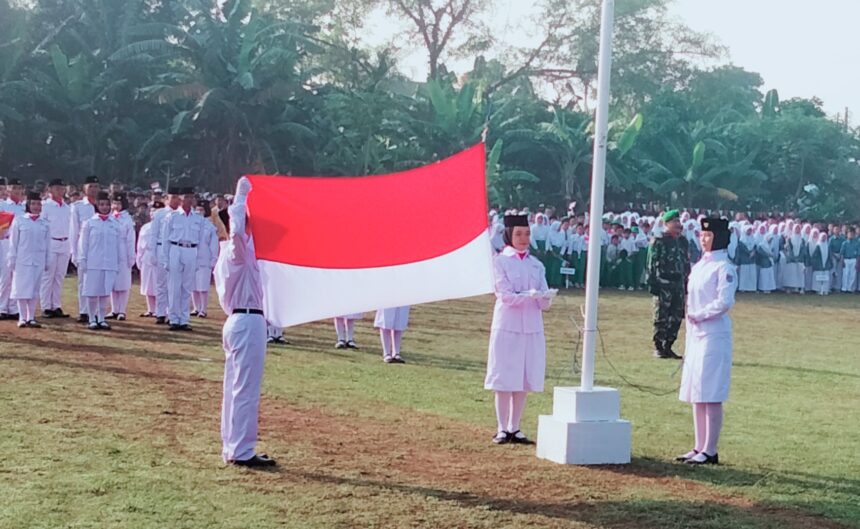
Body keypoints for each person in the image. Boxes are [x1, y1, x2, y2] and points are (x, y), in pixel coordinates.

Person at [214, 176, 276, 468]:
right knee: (245, 389)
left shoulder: (234, 254)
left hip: (240, 320)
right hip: (247, 320)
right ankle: (241, 449)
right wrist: (240, 198)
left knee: (234, 387)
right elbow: (238, 232)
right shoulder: (235, 252)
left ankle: (233, 445)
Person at [484, 214, 556, 445]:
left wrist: (545, 297)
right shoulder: (500, 262)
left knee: (525, 377)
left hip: (531, 327)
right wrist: (528, 295)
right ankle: (501, 427)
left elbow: (544, 303)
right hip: (508, 326)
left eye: (526, 234)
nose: (523, 238)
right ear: (509, 235)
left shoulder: (536, 265)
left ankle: (515, 426)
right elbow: (504, 295)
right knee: (504, 377)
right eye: (518, 234)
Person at [676, 218, 736, 466]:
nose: (703, 239)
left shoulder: (724, 267)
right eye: (701, 235)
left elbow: (724, 301)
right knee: (696, 391)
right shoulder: (701, 265)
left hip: (713, 333)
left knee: (710, 391)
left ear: (719, 237)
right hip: (695, 334)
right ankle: (698, 445)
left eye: (708, 235)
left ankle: (710, 449)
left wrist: (700, 315)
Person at [161, 187, 205, 331]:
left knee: (187, 288)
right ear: (180, 198)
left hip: (191, 250)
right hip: (176, 248)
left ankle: (184, 319)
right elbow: (165, 239)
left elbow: (201, 241)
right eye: (186, 197)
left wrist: (199, 260)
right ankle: (173, 318)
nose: (189, 200)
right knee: (174, 287)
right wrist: (165, 259)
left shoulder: (198, 218)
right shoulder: (172, 216)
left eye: (191, 197)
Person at [648, 210, 689, 359]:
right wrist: (654, 284)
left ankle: (668, 346)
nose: (678, 224)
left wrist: (687, 283)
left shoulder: (682, 241)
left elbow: (686, 262)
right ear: (666, 224)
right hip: (663, 284)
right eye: (674, 222)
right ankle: (659, 347)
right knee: (661, 317)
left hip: (678, 284)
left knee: (676, 317)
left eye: (678, 221)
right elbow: (651, 264)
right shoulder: (659, 241)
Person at [78, 192, 120, 330]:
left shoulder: (114, 224)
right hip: (93, 263)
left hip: (109, 263)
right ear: (97, 206)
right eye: (101, 204)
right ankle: (92, 318)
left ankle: (101, 318)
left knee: (104, 292)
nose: (104, 207)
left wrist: (118, 262)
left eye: (107, 204)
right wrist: (82, 260)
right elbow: (83, 244)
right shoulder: (89, 223)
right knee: (92, 292)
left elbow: (118, 245)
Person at [8, 192, 50, 328]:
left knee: (34, 290)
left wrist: (47, 261)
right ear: (28, 205)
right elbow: (13, 242)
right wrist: (12, 259)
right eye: (33, 204)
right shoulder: (19, 220)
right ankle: (22, 317)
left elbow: (47, 244)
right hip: (22, 260)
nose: (36, 207)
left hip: (38, 260)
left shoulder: (45, 223)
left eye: (38, 204)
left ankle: (31, 317)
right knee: (21, 289)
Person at [39, 179, 72, 318]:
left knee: (59, 276)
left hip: (64, 242)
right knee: (48, 276)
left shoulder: (67, 207)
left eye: (62, 188)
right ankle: (46, 306)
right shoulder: (45, 206)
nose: (60, 190)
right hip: (51, 242)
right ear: (50, 189)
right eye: (57, 188)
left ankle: (56, 305)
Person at [70, 176, 100, 322]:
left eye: (96, 186)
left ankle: (97, 312)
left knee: (99, 282)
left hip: (100, 249)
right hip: (84, 249)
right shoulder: (78, 206)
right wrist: (74, 252)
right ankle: (84, 311)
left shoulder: (104, 205)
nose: (93, 189)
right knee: (83, 281)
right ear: (84, 188)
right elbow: (74, 231)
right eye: (90, 186)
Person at [151, 190, 181, 324]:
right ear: (166, 199)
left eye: (177, 197)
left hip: (175, 249)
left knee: (174, 283)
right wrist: (152, 253)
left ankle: (172, 312)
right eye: (172, 197)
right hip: (160, 248)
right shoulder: (160, 214)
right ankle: (160, 312)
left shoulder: (182, 214)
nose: (175, 200)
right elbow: (153, 234)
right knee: (161, 283)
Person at [0, 177, 27, 320]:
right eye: (13, 188)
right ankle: (2, 307)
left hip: (22, 244)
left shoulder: (24, 207)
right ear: (8, 189)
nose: (16, 191)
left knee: (17, 277)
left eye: (19, 188)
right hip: (6, 242)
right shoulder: (3, 205)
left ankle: (13, 308)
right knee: (5, 277)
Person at [106, 193, 135, 320]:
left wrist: (131, 256)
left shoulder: (127, 219)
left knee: (123, 282)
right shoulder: (109, 217)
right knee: (112, 282)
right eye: (114, 203)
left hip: (123, 250)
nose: (116, 206)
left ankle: (122, 310)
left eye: (118, 203)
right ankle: (114, 310)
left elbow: (130, 239)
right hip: (111, 250)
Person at [191, 199, 219, 318]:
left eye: (201, 210)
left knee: (203, 286)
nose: (199, 212)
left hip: (205, 259)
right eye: (197, 210)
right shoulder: (191, 225)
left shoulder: (210, 227)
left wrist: (213, 259)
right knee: (193, 286)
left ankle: (203, 309)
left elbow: (214, 245)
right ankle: (196, 307)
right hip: (192, 258)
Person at [136, 202, 163, 317]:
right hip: (147, 256)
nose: (153, 213)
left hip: (160, 255)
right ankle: (150, 309)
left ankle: (160, 309)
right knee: (148, 283)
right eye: (152, 211)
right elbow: (140, 244)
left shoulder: (165, 226)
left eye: (156, 211)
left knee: (159, 284)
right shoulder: (145, 227)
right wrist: (139, 257)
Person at [841, 228, 859, 293]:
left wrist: (857, 262)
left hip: (853, 259)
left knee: (852, 275)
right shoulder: (844, 243)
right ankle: (844, 288)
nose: (850, 235)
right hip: (846, 260)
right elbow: (842, 253)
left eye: (852, 234)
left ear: (854, 234)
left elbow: (858, 254)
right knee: (845, 274)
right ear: (847, 234)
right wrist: (842, 261)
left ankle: (850, 288)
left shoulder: (857, 243)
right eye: (849, 233)